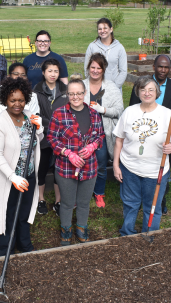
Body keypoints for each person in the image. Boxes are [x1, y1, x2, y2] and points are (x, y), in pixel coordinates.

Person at [113, 76, 171, 237]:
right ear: (138, 92)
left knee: (152, 206)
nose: (147, 93)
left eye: (151, 89)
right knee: (130, 203)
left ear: (157, 92)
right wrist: (116, 165)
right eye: (143, 89)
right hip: (129, 168)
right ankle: (128, 232)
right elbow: (119, 140)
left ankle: (149, 234)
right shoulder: (129, 111)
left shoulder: (167, 114)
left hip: (155, 171)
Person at [0, 77, 44, 256]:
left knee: (24, 212)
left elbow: (35, 143)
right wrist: (13, 177)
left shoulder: (29, 116)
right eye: (13, 100)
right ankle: (6, 249)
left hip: (28, 175)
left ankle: (24, 244)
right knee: (8, 213)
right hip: (8, 179)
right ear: (5, 100)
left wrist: (40, 129)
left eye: (21, 100)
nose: (17, 104)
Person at [47, 75, 105, 245]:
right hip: (66, 166)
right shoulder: (59, 113)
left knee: (84, 202)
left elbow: (100, 135)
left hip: (89, 167)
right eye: (72, 94)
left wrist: (93, 147)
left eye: (79, 93)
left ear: (85, 93)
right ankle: (66, 229)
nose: (76, 97)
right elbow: (51, 138)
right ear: (67, 95)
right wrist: (68, 153)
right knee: (67, 202)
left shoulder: (94, 114)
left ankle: (81, 227)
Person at [129, 54, 171, 214]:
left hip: (163, 139)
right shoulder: (142, 84)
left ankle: (160, 200)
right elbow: (132, 107)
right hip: (143, 134)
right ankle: (139, 200)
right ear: (154, 66)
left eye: (166, 67)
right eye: (160, 66)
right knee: (140, 168)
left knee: (163, 170)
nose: (163, 70)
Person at [83, 53, 124, 208]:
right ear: (88, 68)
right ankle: (83, 192)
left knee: (100, 164)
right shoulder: (82, 85)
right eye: (92, 67)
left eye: (98, 68)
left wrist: (103, 109)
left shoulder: (111, 88)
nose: (95, 70)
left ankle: (99, 192)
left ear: (103, 69)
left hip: (102, 134)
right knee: (83, 163)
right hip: (83, 133)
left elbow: (119, 110)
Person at [33, 58, 69, 216]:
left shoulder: (65, 90)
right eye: (49, 71)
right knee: (42, 167)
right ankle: (41, 199)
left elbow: (69, 112)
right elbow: (35, 114)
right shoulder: (37, 90)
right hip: (44, 136)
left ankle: (58, 201)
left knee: (58, 168)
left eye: (56, 71)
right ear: (43, 73)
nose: (53, 74)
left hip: (61, 137)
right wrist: (50, 126)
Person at [84, 17, 127, 91]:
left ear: (111, 29)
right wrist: (93, 85)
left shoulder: (119, 48)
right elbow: (87, 68)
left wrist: (114, 87)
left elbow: (123, 71)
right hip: (95, 89)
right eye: (100, 29)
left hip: (114, 89)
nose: (102, 31)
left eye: (105, 28)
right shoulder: (92, 46)